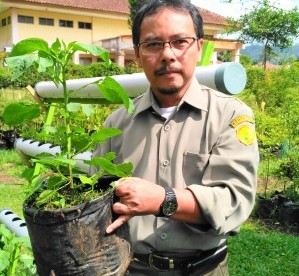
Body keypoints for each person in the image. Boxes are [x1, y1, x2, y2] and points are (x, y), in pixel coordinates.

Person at [93, 0, 259, 275]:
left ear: (199, 46)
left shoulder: (229, 115)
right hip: (130, 267)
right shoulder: (117, 123)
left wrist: (163, 199)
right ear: (137, 53)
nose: (168, 55)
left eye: (180, 41)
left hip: (203, 268)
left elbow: (234, 201)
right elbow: (95, 197)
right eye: (153, 44)